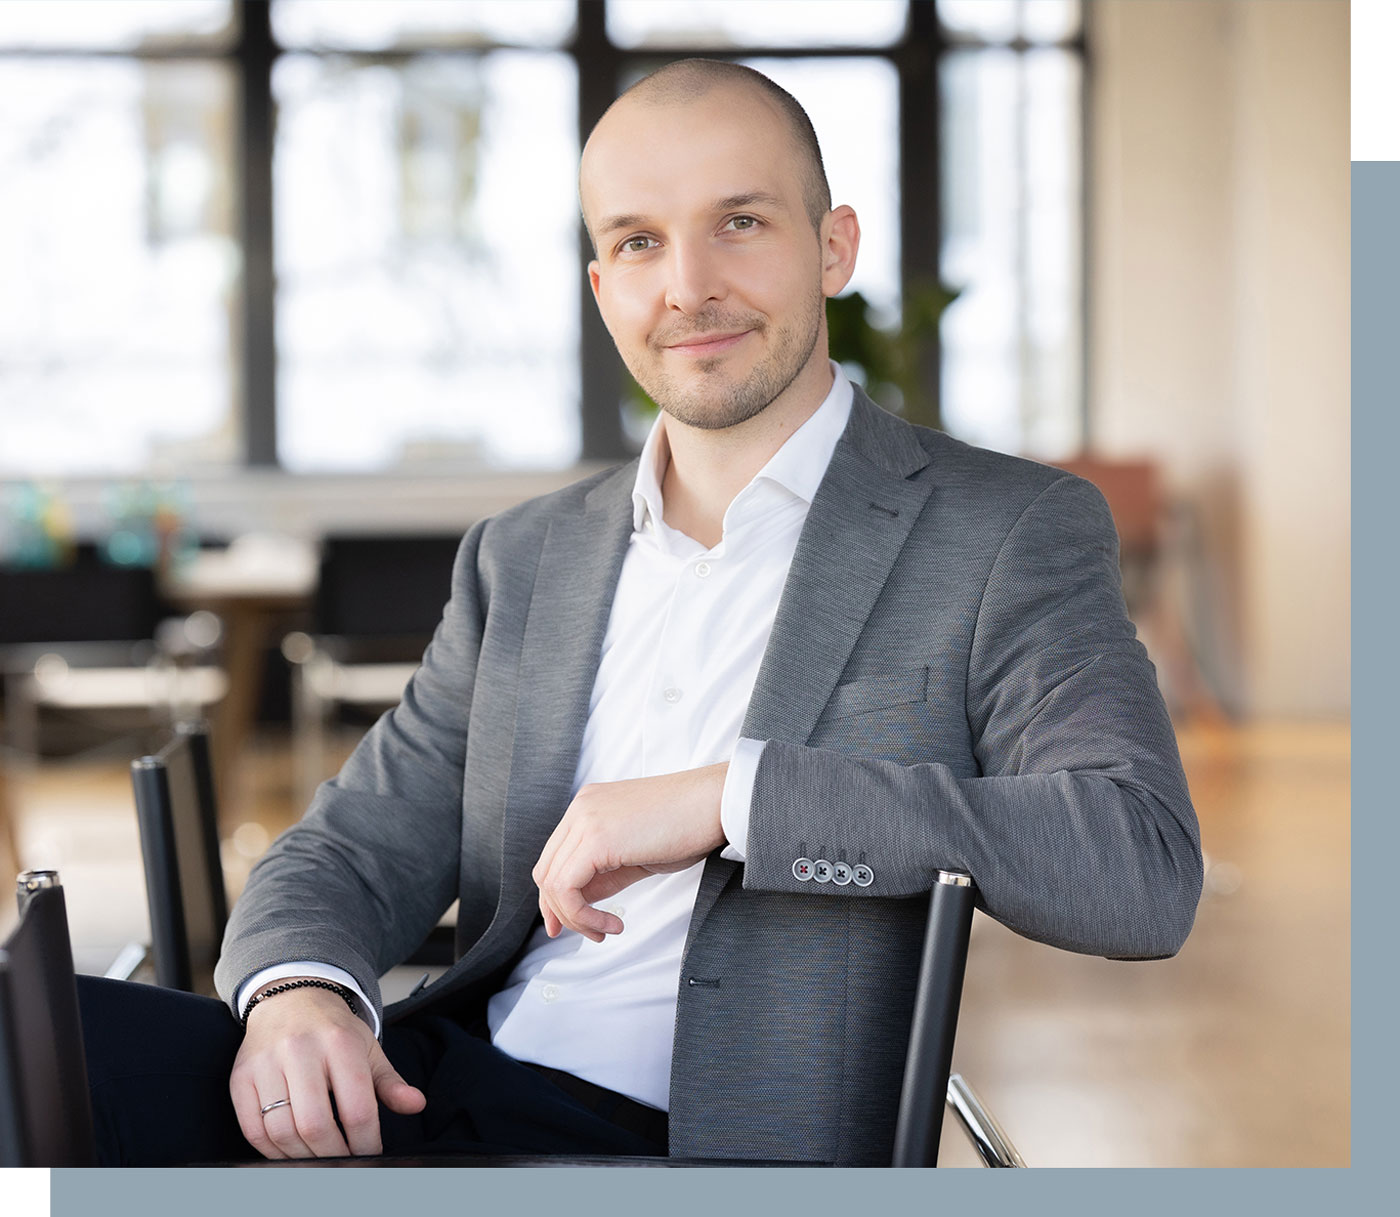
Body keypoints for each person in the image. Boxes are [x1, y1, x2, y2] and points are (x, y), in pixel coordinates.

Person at [80, 60, 1201, 1168]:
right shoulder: (524, 557)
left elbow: (1138, 867)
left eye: (740, 223)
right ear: (600, 284)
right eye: (637, 242)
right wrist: (299, 993)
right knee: (38, 1035)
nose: (687, 287)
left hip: (686, 1150)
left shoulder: (1001, 530)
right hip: (438, 1085)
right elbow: (354, 845)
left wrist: (732, 797)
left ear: (834, 247)